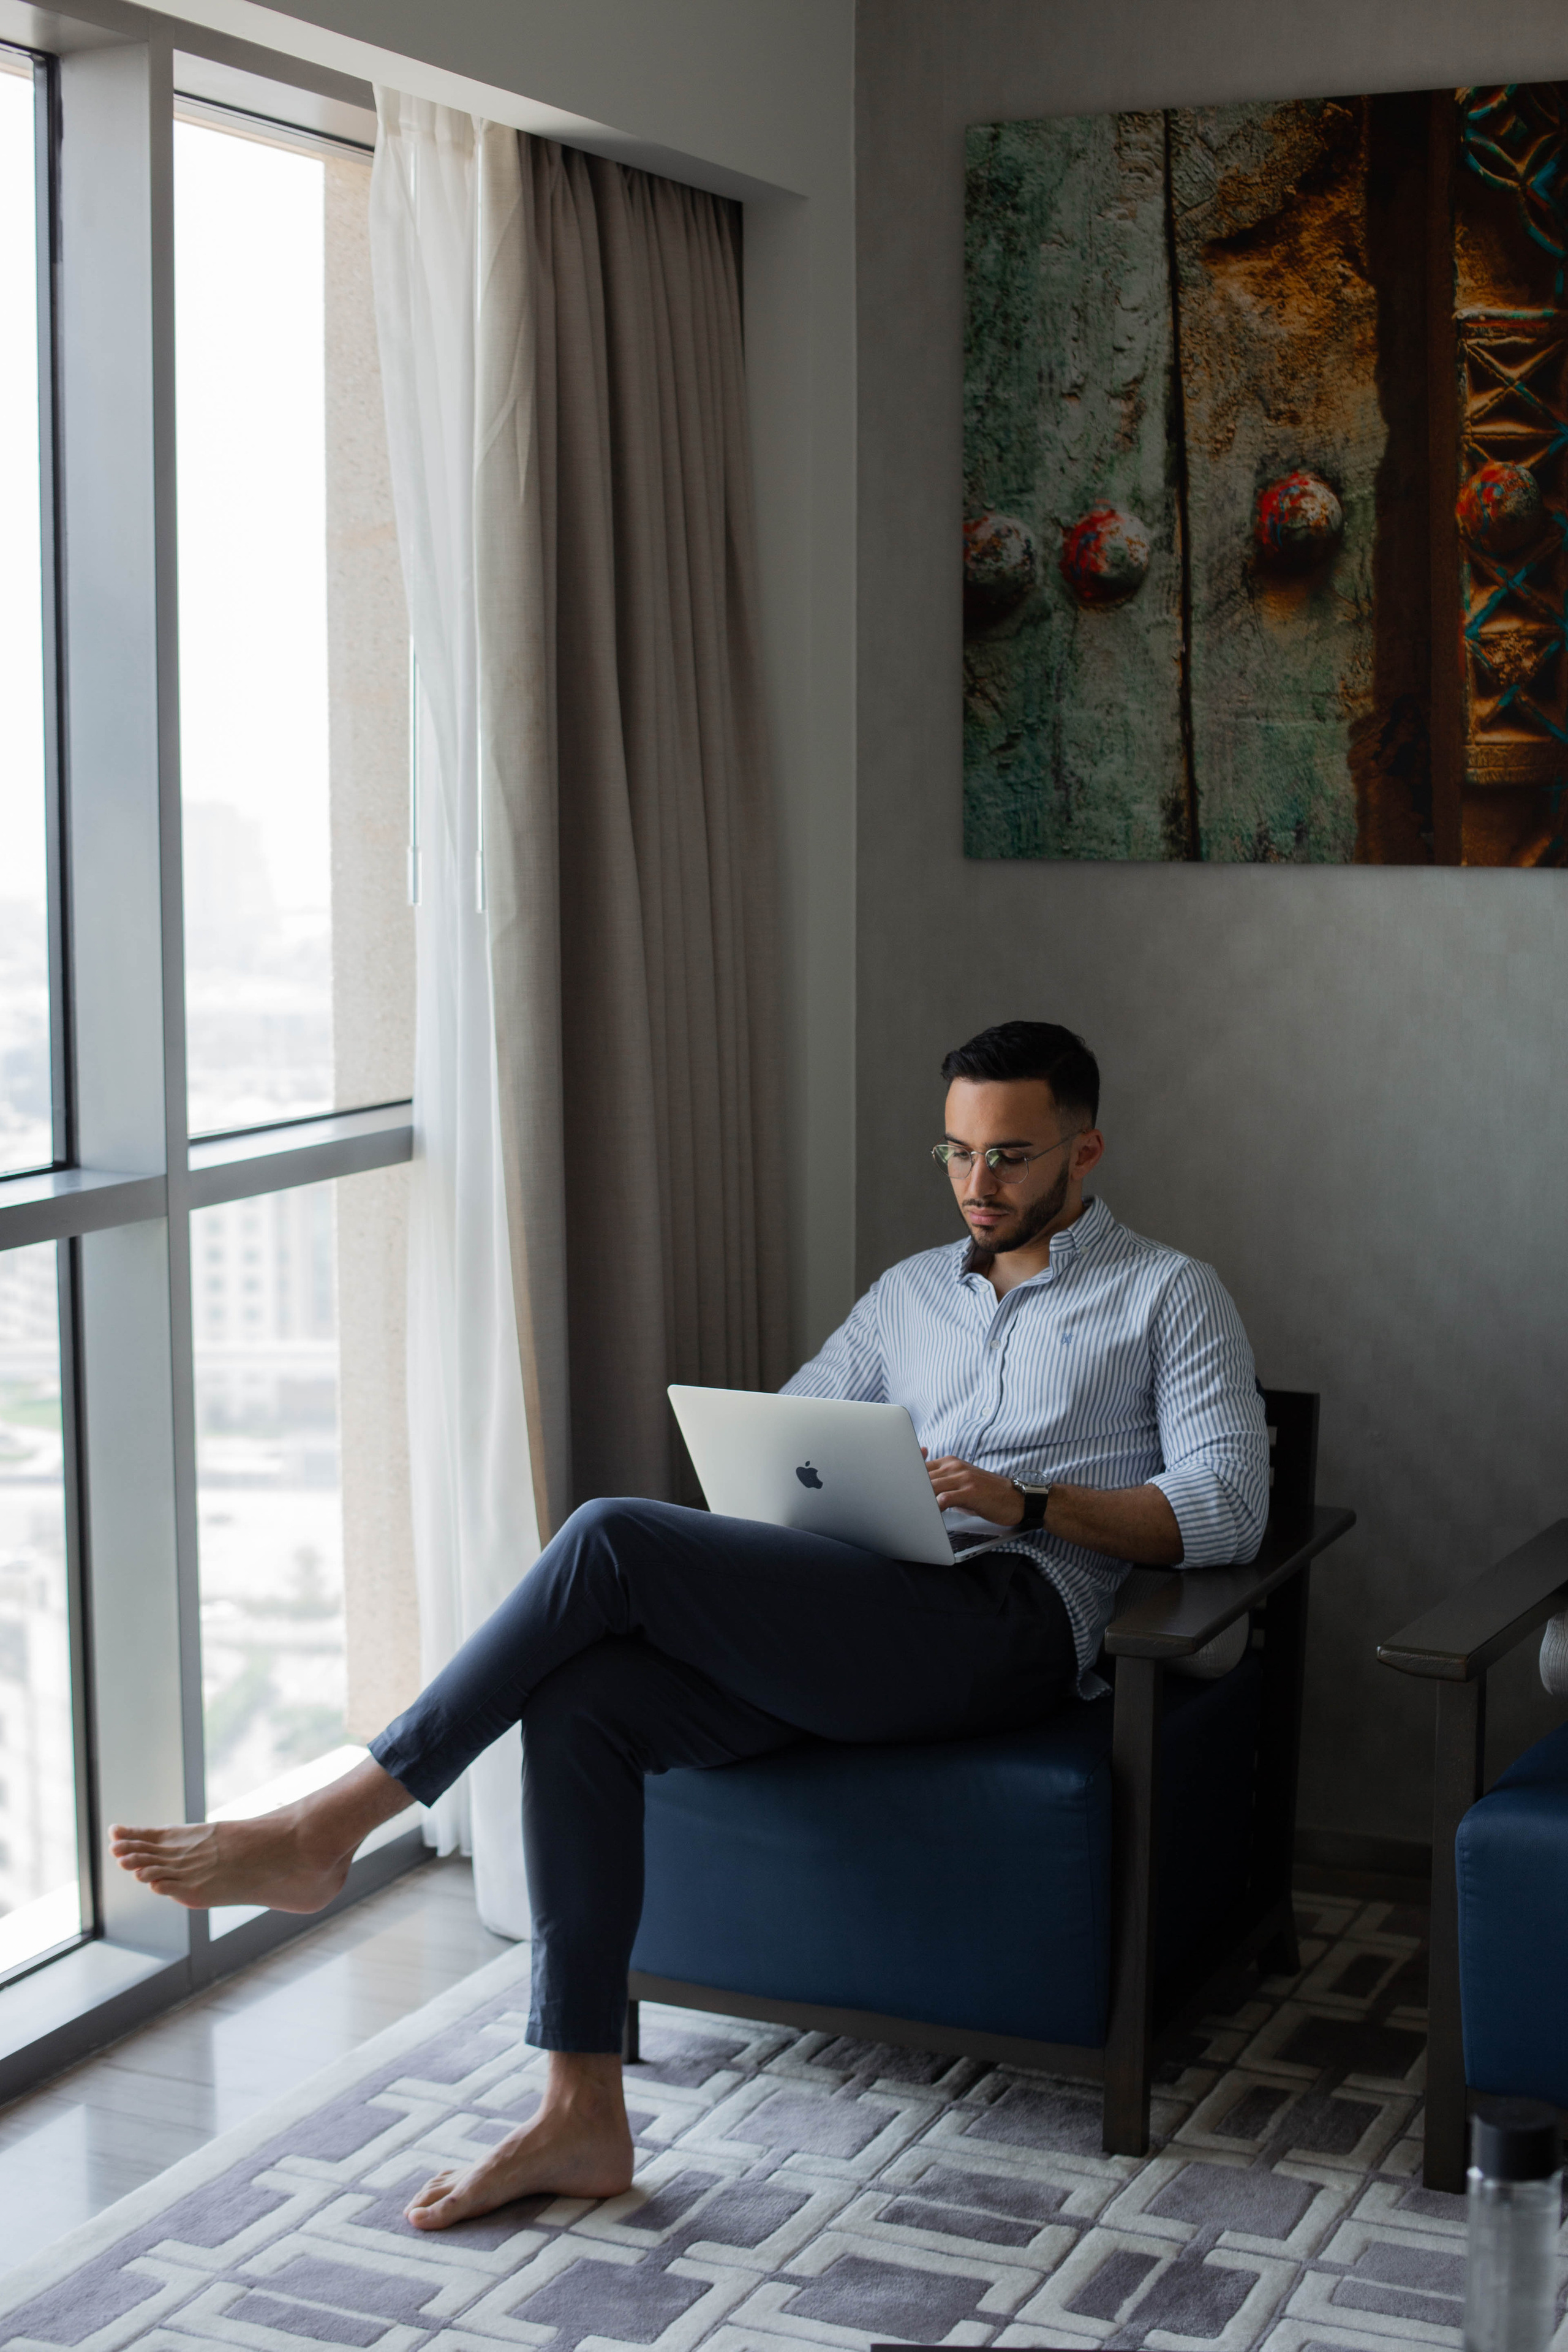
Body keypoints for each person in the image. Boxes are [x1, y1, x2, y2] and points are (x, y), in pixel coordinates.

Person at [110, 1019, 1268, 2231]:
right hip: (861, 1605)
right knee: (584, 1700)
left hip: (1006, 1622)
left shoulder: (1168, 1296)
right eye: (957, 1154)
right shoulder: (909, 1295)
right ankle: (580, 2110)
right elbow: (792, 1433)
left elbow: (1230, 1505)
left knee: (611, 1537)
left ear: (1085, 1151)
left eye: (1011, 1157)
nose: (978, 1184)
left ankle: (332, 1822)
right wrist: (803, 1500)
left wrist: (1024, 1500)